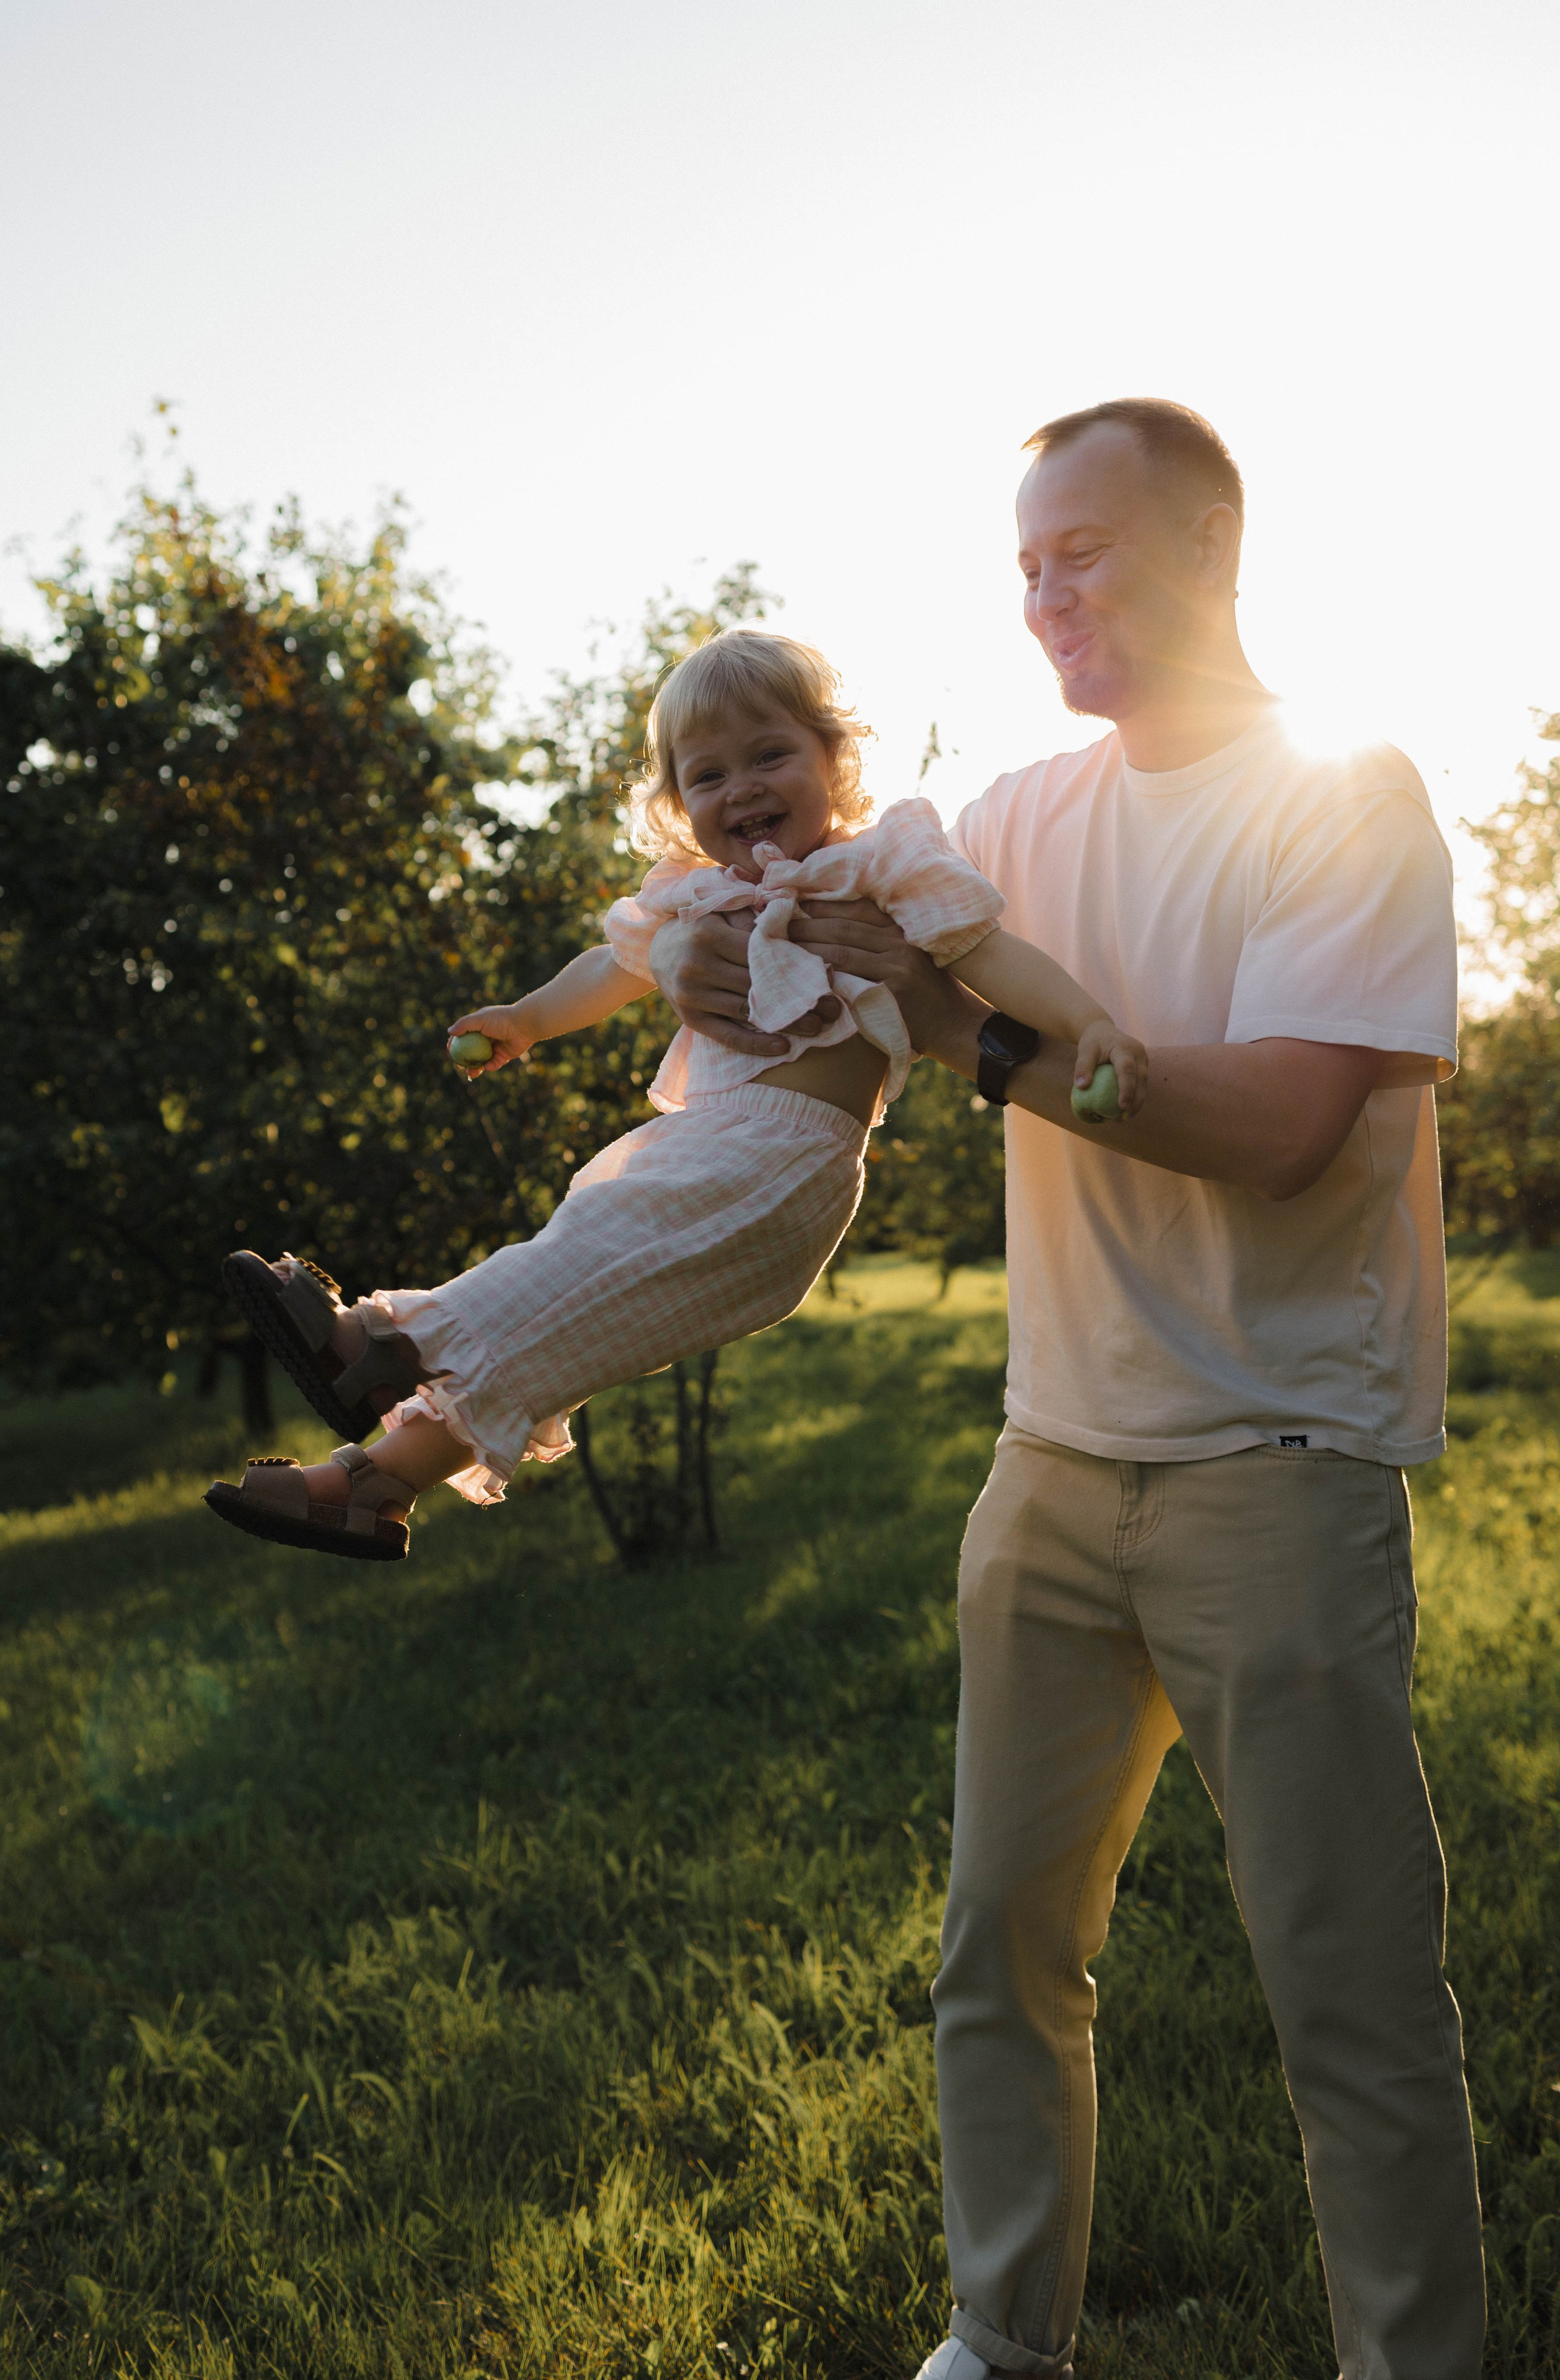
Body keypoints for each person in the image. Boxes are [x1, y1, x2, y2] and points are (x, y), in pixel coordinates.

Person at [646, 402, 1482, 2380]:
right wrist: (714, 964)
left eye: (1083, 554)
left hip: (1281, 1461)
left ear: (1209, 544)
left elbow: (1282, 1129)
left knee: (1348, 1986)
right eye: (1025, 563)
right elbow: (817, 934)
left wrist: (974, 1033)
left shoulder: (1345, 797)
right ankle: (1004, 2339)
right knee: (999, 1955)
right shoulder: (1014, 811)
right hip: (1051, 1462)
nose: (1045, 599)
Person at [204, 629, 1145, 1561]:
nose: (742, 788)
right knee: (562, 1320)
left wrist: (1087, 1020)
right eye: (708, 775)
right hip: (712, 1148)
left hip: (785, 1160)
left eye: (771, 755)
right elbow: (610, 971)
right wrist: (529, 1020)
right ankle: (373, 1486)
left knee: (565, 1272)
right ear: (677, 801)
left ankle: (375, 1338)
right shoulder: (692, 899)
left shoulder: (880, 866)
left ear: (835, 758)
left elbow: (989, 954)